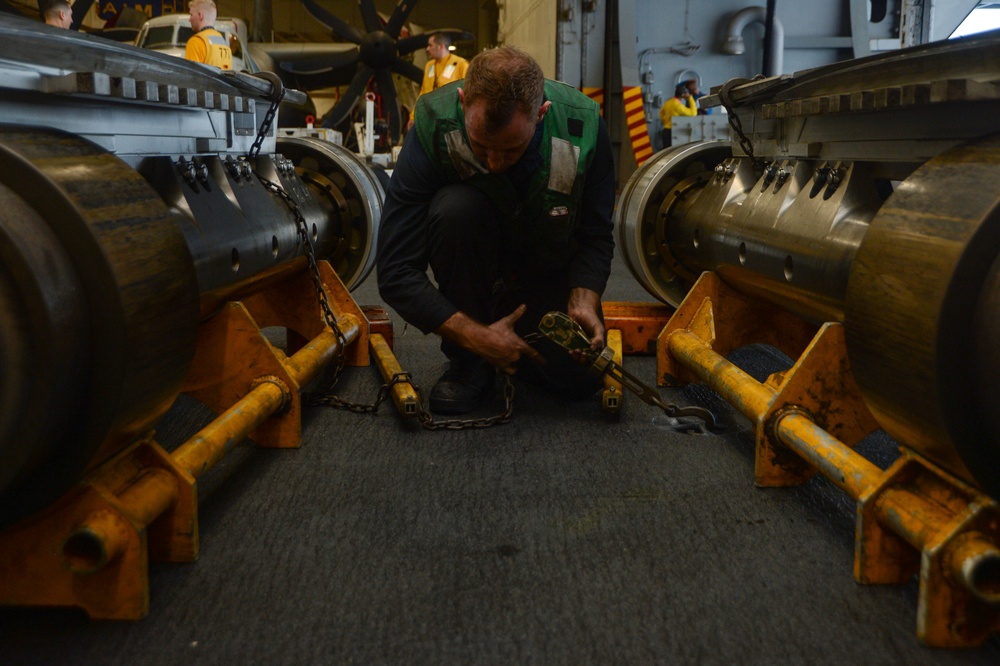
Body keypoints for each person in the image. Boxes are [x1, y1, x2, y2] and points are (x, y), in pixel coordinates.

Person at [378, 46, 615, 415]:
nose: (494, 162)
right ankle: (470, 361)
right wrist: (473, 335)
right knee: (456, 209)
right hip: (470, 276)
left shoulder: (582, 126)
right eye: (481, 146)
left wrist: (584, 297)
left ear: (541, 114)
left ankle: (510, 335)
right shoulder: (432, 122)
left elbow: (596, 235)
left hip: (542, 268)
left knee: (579, 380)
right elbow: (395, 270)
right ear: (462, 101)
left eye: (510, 149)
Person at [406, 32, 469, 132]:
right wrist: (413, 116)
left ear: (441, 46)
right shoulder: (429, 66)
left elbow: (467, 93)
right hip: (430, 118)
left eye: (430, 45)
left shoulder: (461, 64)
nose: (427, 49)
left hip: (451, 120)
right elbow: (423, 92)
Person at [184, 0, 232, 70]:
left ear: (200, 15)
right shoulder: (225, 45)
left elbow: (191, 76)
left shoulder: (196, 42)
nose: (189, 19)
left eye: (191, 15)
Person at [658, 82, 697, 149]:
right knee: (674, 152)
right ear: (682, 94)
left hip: (666, 130)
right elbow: (693, 113)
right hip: (673, 132)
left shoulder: (668, 102)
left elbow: (661, 113)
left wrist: (666, 122)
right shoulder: (677, 105)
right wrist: (690, 98)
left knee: (666, 151)